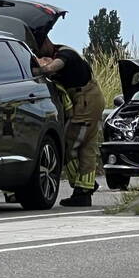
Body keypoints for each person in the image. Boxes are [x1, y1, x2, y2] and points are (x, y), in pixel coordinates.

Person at [37, 37, 105, 206]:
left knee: (69, 143)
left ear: (46, 43)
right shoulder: (58, 53)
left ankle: (83, 188)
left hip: (86, 101)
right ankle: (85, 190)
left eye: (40, 52)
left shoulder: (66, 53)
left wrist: (42, 69)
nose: (40, 56)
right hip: (88, 100)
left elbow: (56, 65)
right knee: (86, 147)